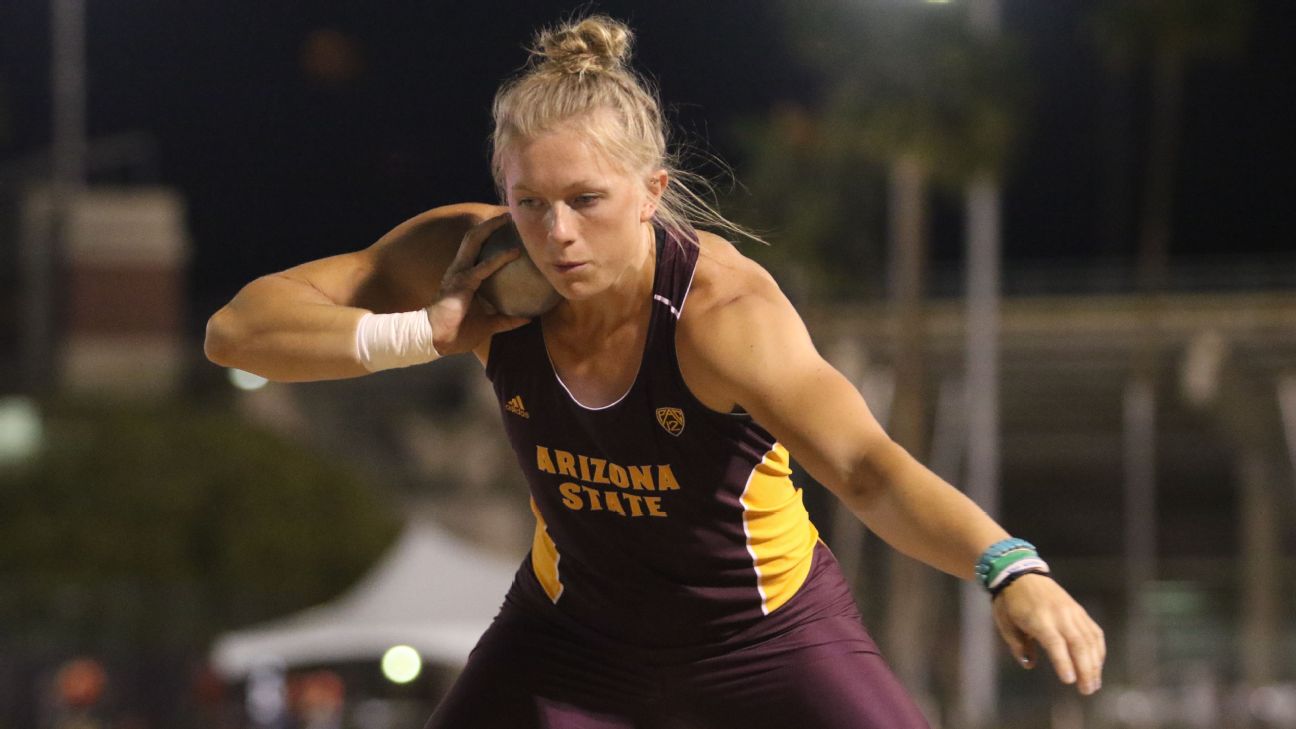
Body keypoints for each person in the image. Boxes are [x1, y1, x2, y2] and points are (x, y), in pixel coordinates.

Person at [205, 15, 1105, 729]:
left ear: (652, 192)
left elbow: (867, 467)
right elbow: (235, 332)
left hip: (765, 640)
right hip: (569, 639)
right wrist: (430, 331)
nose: (556, 234)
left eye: (587, 201)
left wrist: (1009, 566)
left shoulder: (720, 317)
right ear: (501, 189)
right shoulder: (471, 263)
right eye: (531, 202)